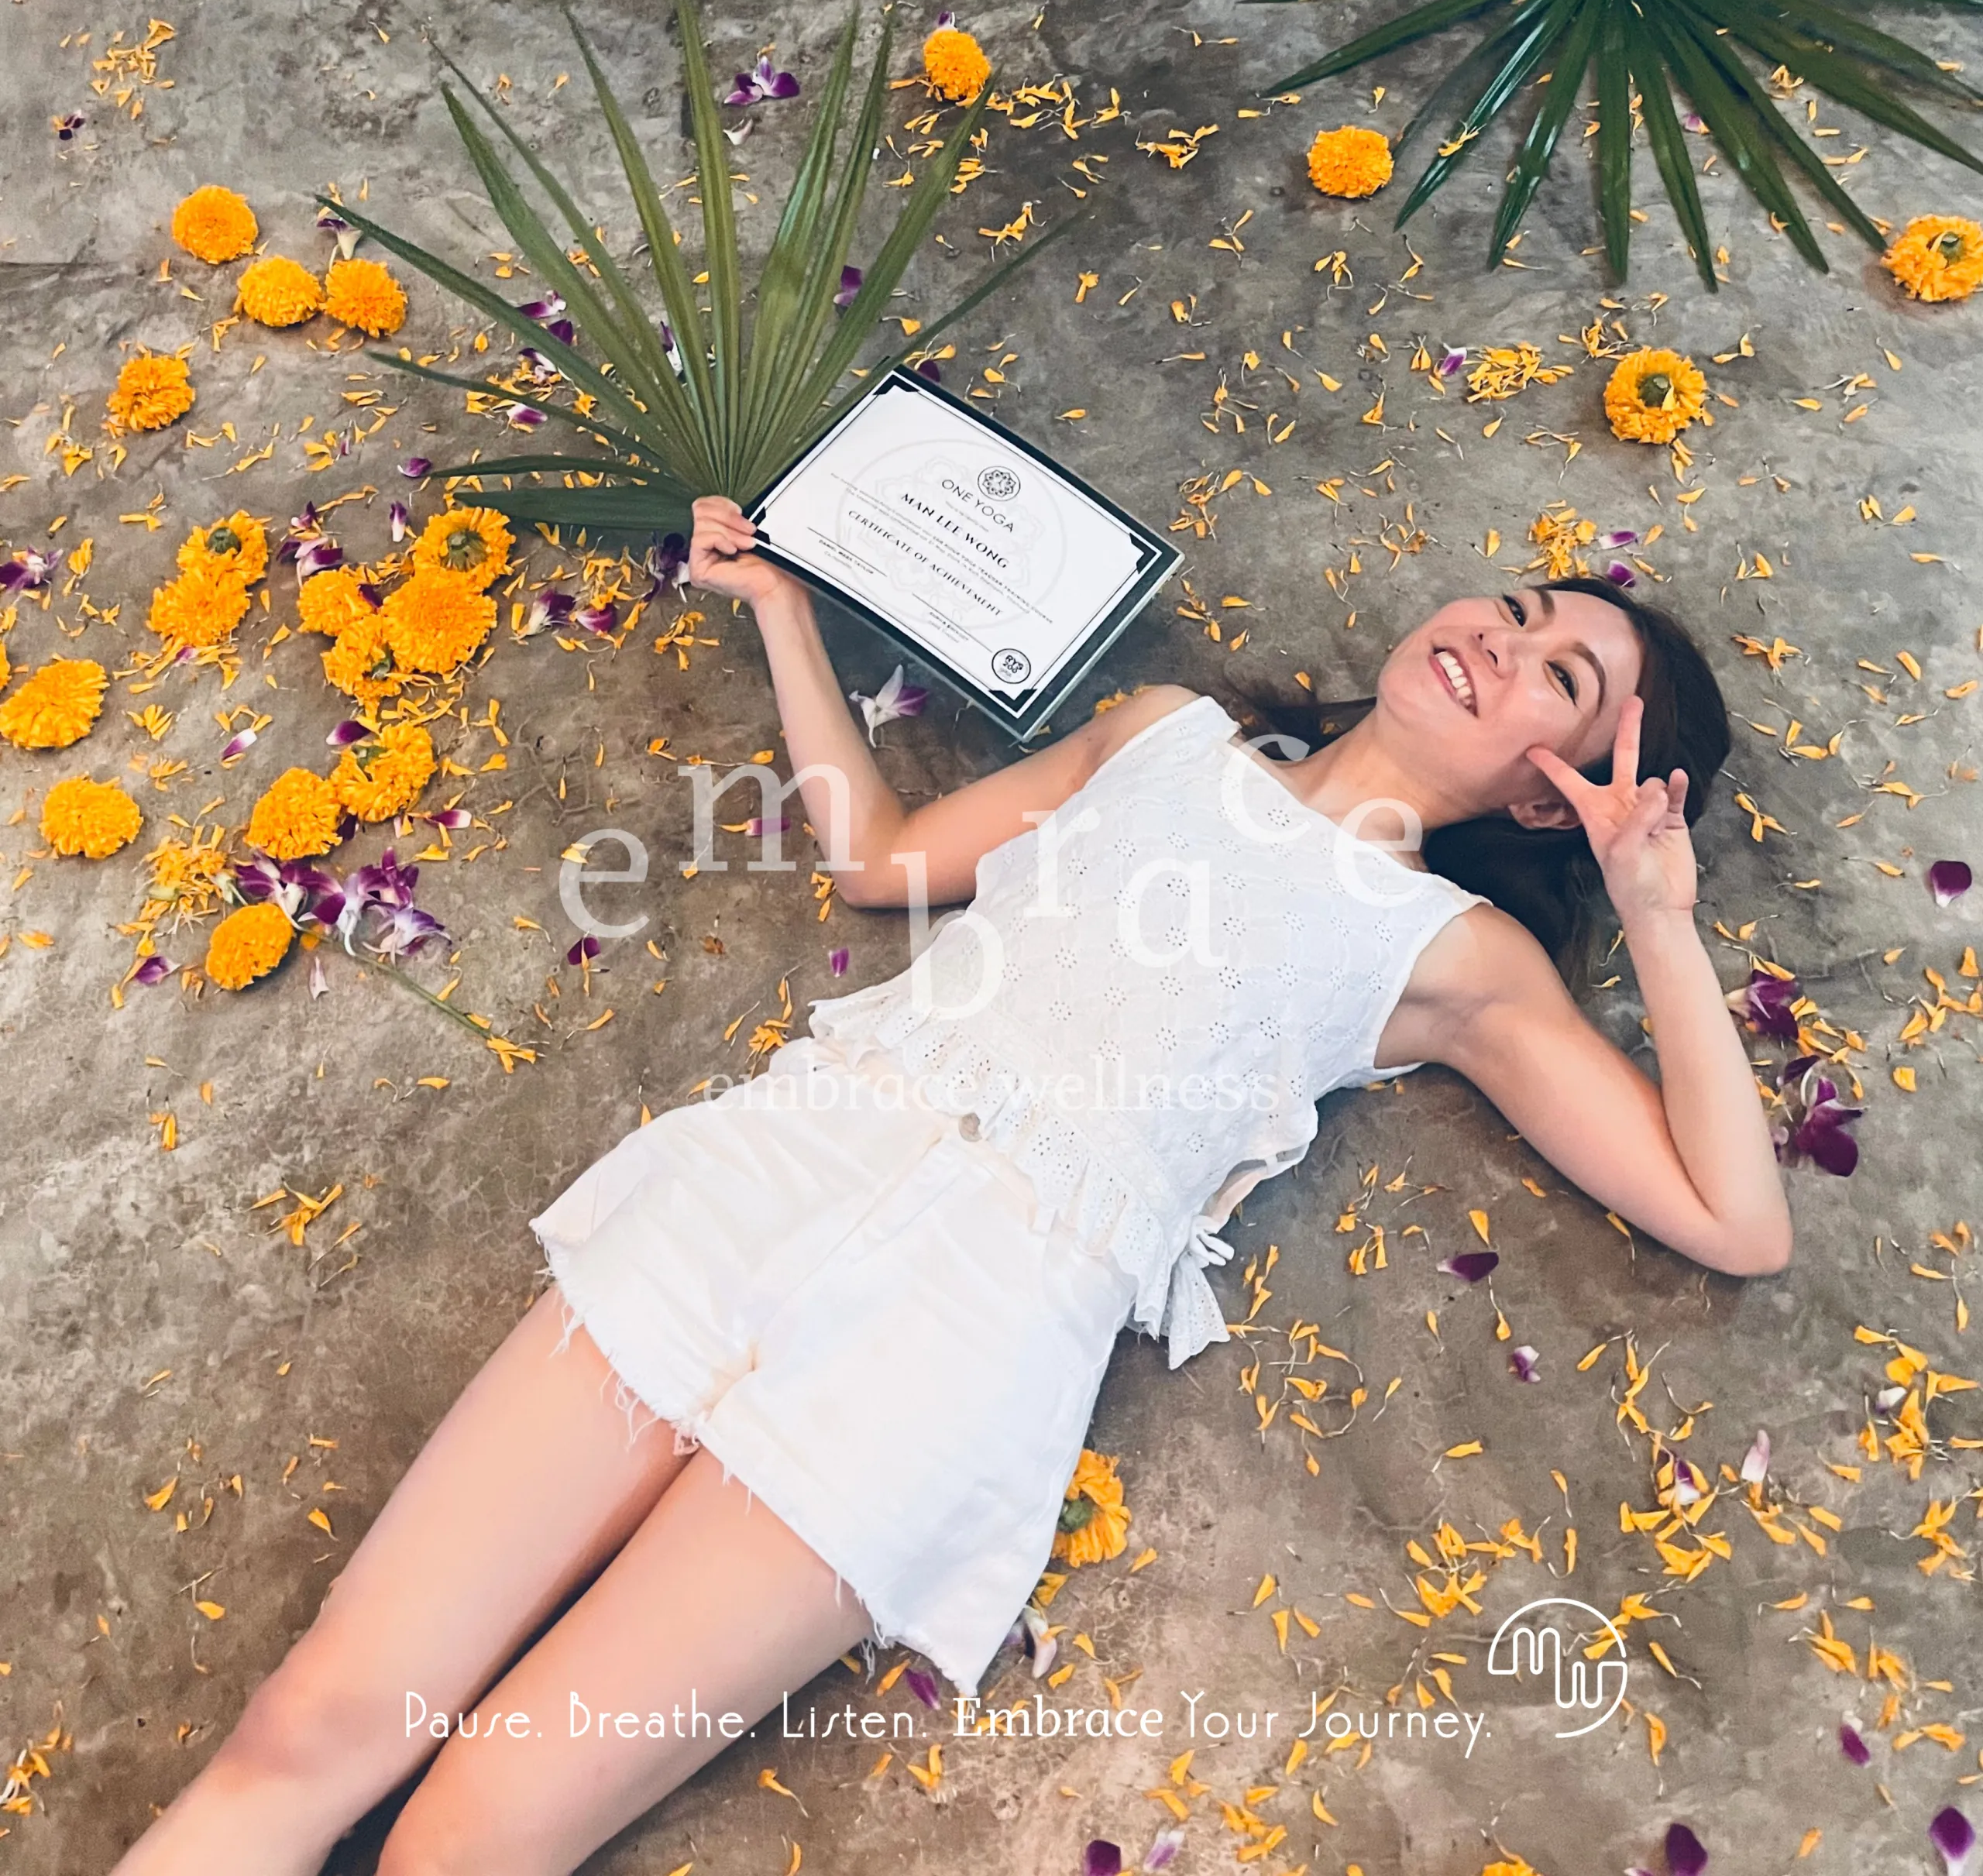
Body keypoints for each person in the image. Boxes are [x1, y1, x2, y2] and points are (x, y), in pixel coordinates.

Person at [115, 494, 1789, 1876]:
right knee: (314, 1724)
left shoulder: (1457, 955)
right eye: (1513, 598)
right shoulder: (1161, 731)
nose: (1502, 636)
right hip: (766, 1175)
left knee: (468, 1841)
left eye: (1556, 676)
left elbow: (1731, 1216)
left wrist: (1654, 912)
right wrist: (781, 605)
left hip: (960, 1350)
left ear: (1544, 790)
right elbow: (876, 855)